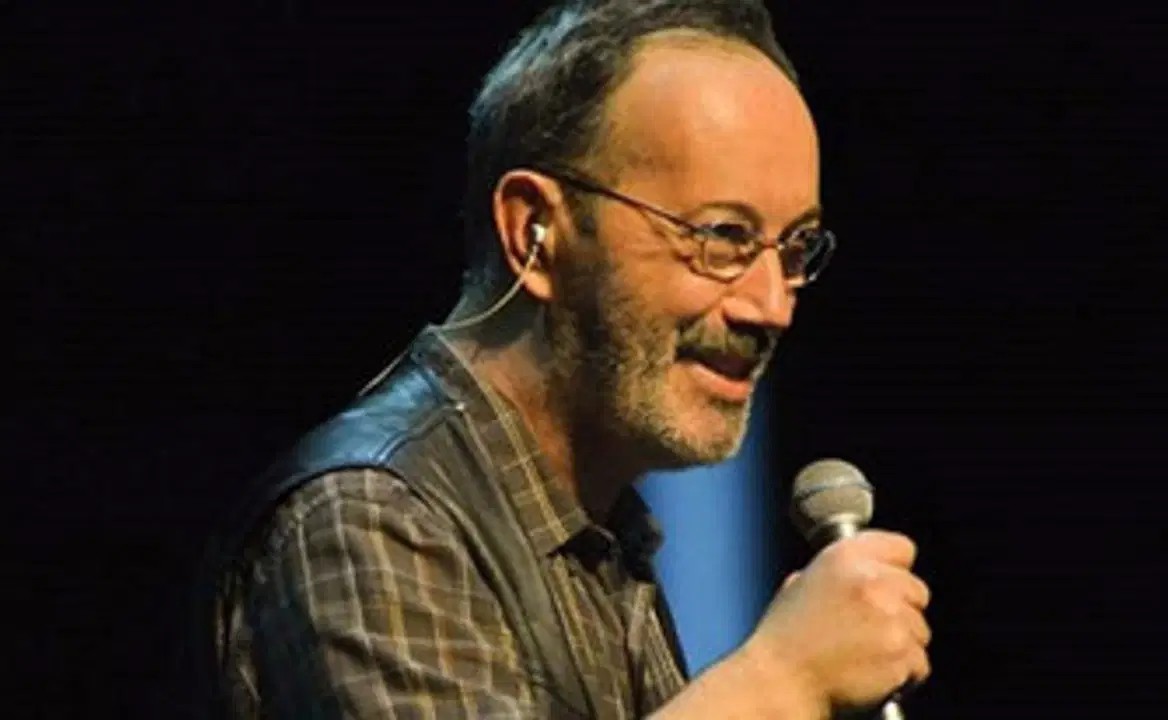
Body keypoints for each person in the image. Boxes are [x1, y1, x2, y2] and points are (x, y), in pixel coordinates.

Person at [200, 1, 932, 717]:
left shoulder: (599, 534)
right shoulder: (371, 518)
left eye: (795, 248)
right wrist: (781, 679)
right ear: (535, 231)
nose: (771, 305)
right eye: (721, 236)